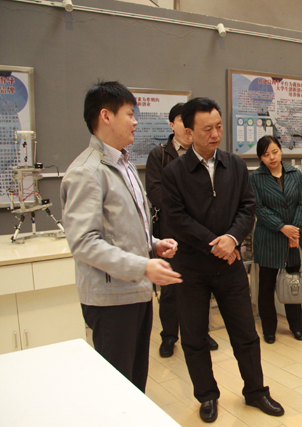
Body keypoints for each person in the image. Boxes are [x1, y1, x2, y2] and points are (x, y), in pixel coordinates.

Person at [160, 97, 284, 423]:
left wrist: (232, 238)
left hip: (230, 265)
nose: (215, 134)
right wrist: (214, 243)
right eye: (207, 129)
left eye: (218, 127)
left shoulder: (235, 165)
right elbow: (175, 219)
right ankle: (207, 396)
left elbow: (248, 207)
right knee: (194, 337)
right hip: (191, 268)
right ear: (189, 132)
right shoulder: (174, 172)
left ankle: (255, 391)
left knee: (245, 333)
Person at [60, 81, 182, 393]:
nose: (135, 121)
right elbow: (84, 242)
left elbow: (126, 226)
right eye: (129, 114)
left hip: (136, 292)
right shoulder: (87, 171)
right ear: (106, 116)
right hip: (111, 300)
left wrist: (153, 244)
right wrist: (142, 266)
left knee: (135, 383)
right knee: (117, 389)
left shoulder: (123, 164)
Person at [145, 103, 218, 358]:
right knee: (170, 288)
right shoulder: (160, 154)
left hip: (199, 233)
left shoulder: (204, 154)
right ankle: (169, 336)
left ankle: (202, 333)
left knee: (200, 286)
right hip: (170, 232)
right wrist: (184, 208)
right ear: (172, 124)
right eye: (181, 119)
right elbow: (155, 192)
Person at [250, 135, 302, 344]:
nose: (272, 157)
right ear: (261, 157)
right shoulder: (256, 178)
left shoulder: (295, 173)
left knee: (293, 282)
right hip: (269, 237)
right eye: (266, 154)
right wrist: (282, 227)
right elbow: (258, 208)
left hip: (294, 238)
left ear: (281, 150)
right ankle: (269, 329)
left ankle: (296, 326)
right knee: (266, 287)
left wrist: (294, 232)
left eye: (275, 152)